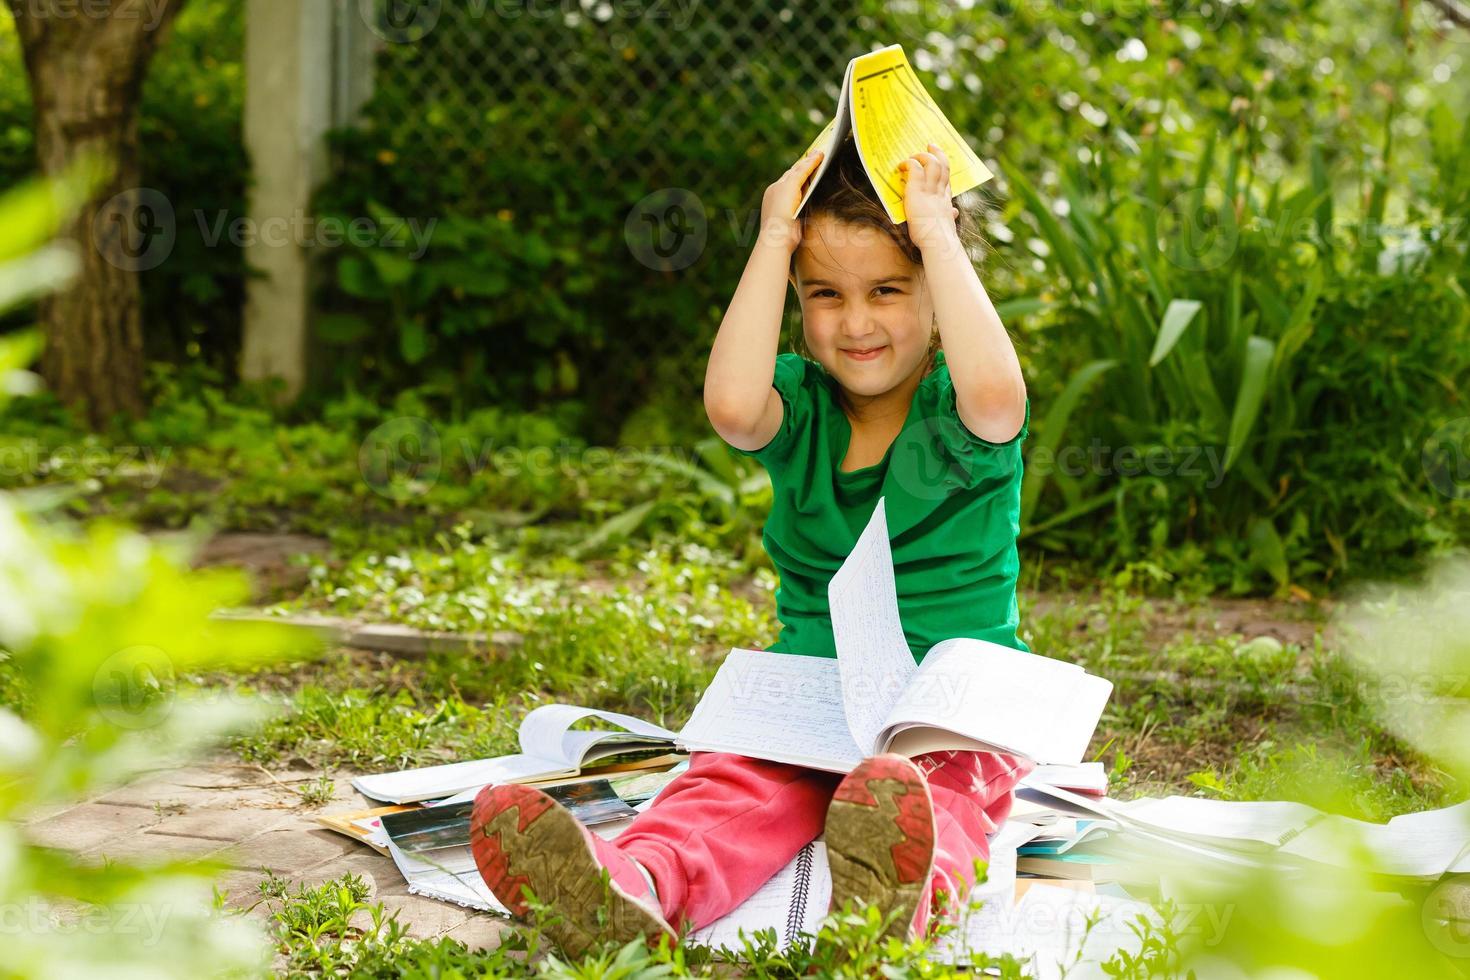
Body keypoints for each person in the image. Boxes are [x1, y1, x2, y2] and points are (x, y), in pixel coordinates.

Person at [469, 132, 1034, 956]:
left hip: (948, 710)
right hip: (810, 692)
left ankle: (886, 919)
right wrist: (775, 235)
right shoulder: (800, 407)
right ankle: (635, 885)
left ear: (937, 297)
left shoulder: (963, 413)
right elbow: (733, 406)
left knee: (930, 798)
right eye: (825, 296)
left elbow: (998, 389)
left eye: (887, 289)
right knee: (729, 787)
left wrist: (938, 232)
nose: (857, 321)